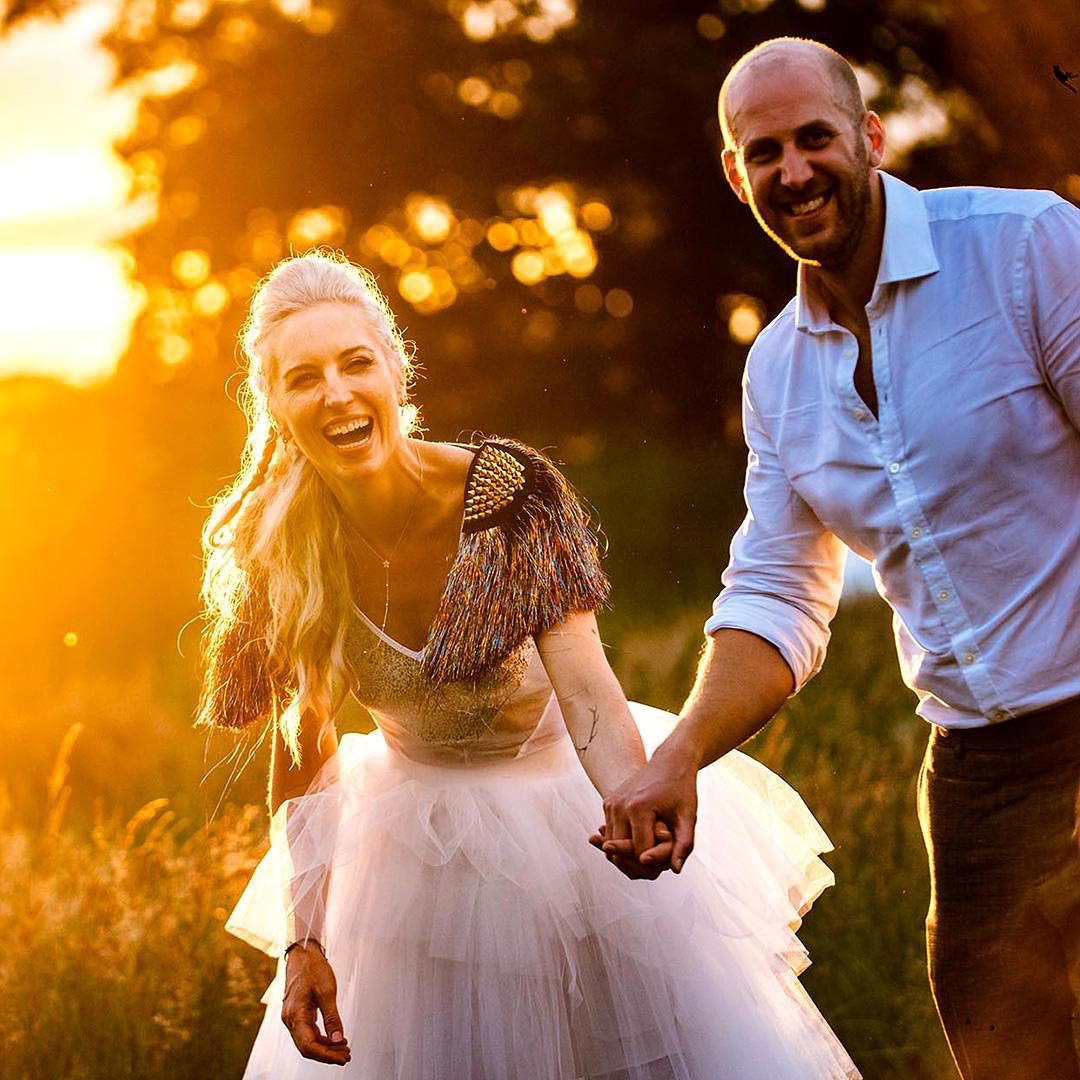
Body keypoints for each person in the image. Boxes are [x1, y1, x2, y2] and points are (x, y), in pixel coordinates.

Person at [197, 249, 859, 1078]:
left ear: (397, 371)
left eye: (356, 362)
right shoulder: (286, 545)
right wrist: (303, 940)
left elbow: (586, 689)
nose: (336, 392)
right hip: (407, 864)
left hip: (563, 828)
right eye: (304, 377)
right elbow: (305, 748)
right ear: (276, 406)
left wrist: (633, 798)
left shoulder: (506, 496)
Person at [599, 36, 1080, 1080]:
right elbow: (777, 594)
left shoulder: (1027, 245)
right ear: (737, 175)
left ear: (867, 137)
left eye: (815, 138)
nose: (795, 171)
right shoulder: (776, 372)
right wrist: (677, 757)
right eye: (763, 152)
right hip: (976, 781)